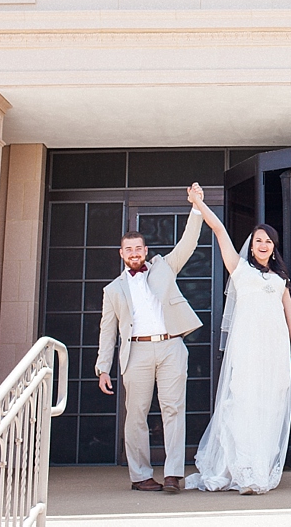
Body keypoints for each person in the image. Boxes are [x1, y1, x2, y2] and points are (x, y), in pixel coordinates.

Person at [185, 187, 291, 495]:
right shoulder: (239, 270)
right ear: (251, 247)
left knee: (270, 407)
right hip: (248, 350)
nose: (263, 244)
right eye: (258, 240)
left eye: (268, 241)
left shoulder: (280, 279)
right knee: (243, 405)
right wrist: (199, 203)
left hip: (275, 352)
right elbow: (219, 229)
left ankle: (260, 468)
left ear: (274, 247)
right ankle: (241, 470)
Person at [95, 183, 205, 493]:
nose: (134, 253)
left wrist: (196, 206)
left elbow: (188, 243)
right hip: (137, 353)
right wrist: (103, 367)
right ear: (122, 254)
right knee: (136, 415)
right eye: (128, 249)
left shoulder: (164, 267)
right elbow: (108, 330)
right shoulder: (113, 290)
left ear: (145, 250)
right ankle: (140, 476)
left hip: (170, 346)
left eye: (138, 249)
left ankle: (173, 474)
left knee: (173, 410)